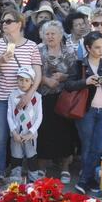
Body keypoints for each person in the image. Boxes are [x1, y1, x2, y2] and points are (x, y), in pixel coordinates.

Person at [0, 9, 42, 184]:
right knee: (1, 137)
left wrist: (30, 95)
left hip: (24, 100)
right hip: (2, 98)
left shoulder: (32, 46)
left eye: (9, 21)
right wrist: (1, 61)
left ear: (19, 24)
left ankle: (21, 172)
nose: (4, 23)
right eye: (3, 21)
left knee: (24, 136)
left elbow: (38, 74)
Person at [66, 31, 102, 194]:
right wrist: (86, 81)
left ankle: (85, 180)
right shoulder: (80, 64)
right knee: (87, 145)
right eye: (97, 47)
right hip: (86, 110)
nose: (101, 50)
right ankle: (90, 180)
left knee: (100, 145)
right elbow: (68, 85)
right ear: (88, 48)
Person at [36, 20, 76, 184]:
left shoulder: (69, 52)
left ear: (61, 35)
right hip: (42, 98)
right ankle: (41, 167)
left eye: (53, 33)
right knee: (43, 132)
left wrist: (63, 77)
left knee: (65, 132)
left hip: (64, 98)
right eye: (47, 33)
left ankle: (65, 168)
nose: (50, 36)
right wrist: (44, 79)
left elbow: (75, 76)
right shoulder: (37, 50)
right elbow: (31, 72)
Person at [7, 66, 42, 183]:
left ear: (32, 81)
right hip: (16, 134)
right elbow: (9, 115)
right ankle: (15, 180)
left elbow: (39, 117)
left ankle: (33, 180)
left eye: (27, 80)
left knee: (32, 156)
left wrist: (31, 132)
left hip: (30, 135)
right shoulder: (12, 96)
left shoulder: (37, 97)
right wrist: (14, 132)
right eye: (20, 80)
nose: (23, 83)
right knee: (16, 156)